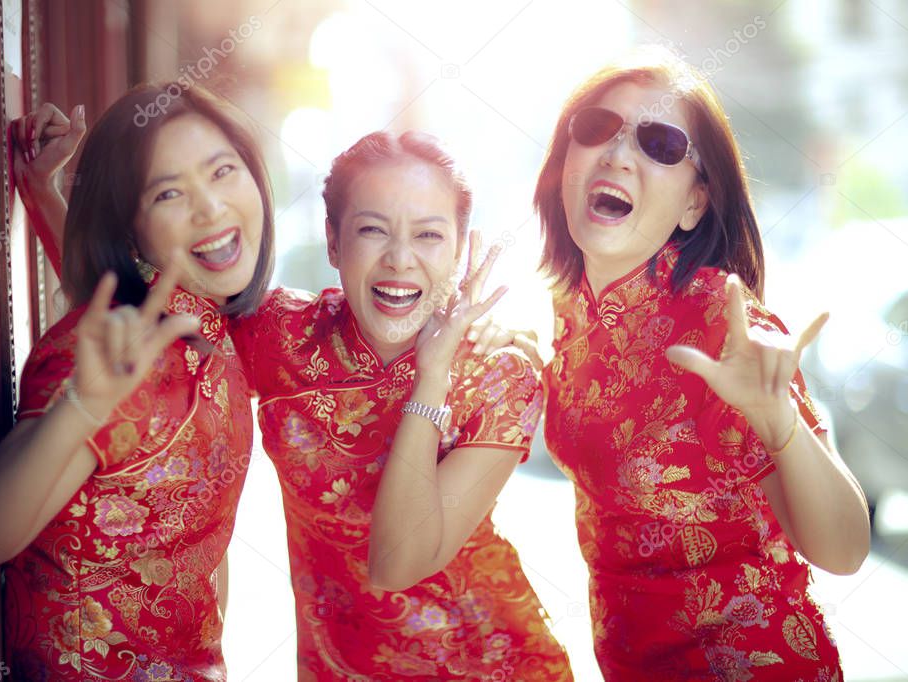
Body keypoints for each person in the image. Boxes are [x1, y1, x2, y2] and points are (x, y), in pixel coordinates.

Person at [534, 46, 870, 680]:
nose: (617, 153)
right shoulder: (572, 308)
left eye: (660, 143)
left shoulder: (723, 323)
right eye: (596, 127)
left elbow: (846, 550)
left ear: (693, 204)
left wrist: (781, 424)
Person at [0, 82, 275, 680]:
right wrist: (82, 405)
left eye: (222, 171)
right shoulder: (99, 365)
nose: (211, 208)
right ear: (128, 228)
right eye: (169, 192)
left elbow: (122, 289)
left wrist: (41, 193)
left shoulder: (202, 323)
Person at [226, 130, 572, 680]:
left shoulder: (498, 377)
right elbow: (158, 334)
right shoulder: (279, 337)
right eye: (372, 230)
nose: (400, 259)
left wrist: (431, 377)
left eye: (429, 235)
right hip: (334, 665)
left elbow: (396, 565)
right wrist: (43, 198)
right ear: (333, 242)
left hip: (485, 662)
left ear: (459, 251)